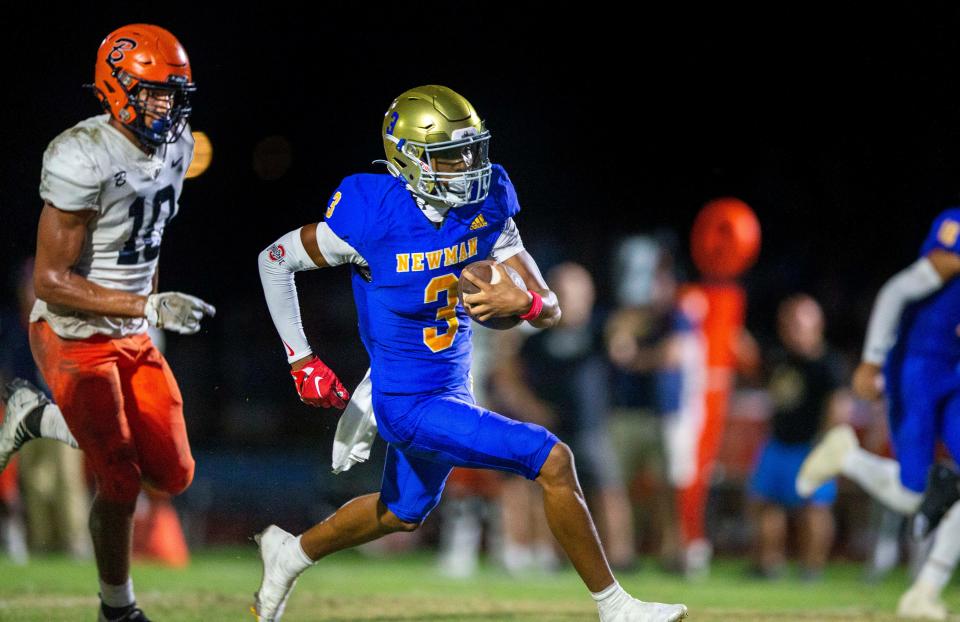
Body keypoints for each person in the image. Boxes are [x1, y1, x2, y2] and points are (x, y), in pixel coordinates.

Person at [256, 85, 688, 622]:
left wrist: (527, 302)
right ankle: (615, 606)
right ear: (408, 159)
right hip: (409, 404)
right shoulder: (369, 215)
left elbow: (550, 307)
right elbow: (273, 261)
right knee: (552, 459)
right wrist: (302, 360)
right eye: (449, 155)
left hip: (453, 385)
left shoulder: (486, 204)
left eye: (471, 150)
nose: (467, 166)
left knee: (401, 513)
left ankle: (290, 554)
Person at [0, 24, 214, 622]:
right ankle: (117, 608)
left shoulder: (175, 147)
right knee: (118, 478)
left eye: (173, 93)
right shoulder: (80, 153)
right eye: (152, 92)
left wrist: (147, 306)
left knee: (173, 473)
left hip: (132, 330)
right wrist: (143, 304)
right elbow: (48, 279)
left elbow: (142, 242)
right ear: (115, 87)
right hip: (71, 332)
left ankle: (41, 418)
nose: (165, 105)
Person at [797, 208, 960, 620]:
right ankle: (846, 457)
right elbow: (895, 293)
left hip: (954, 373)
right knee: (911, 495)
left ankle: (923, 592)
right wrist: (871, 360)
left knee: (927, 494)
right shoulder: (955, 229)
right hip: (919, 368)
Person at [748, 295, 850, 580]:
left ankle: (811, 568)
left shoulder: (828, 363)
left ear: (817, 325)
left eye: (798, 323)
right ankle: (769, 565)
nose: (791, 329)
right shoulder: (781, 358)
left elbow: (839, 406)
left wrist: (827, 446)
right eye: (787, 323)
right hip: (778, 443)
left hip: (811, 445)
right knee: (767, 504)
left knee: (815, 508)